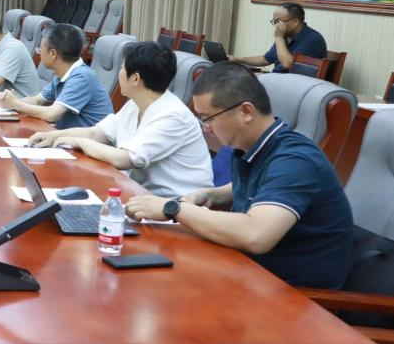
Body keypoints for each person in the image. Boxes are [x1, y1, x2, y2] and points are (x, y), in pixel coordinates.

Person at [126, 63, 352, 289]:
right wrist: (210, 194)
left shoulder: (295, 160)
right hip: (250, 272)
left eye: (208, 118)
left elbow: (256, 235)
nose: (206, 128)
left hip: (294, 294)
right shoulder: (250, 146)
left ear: (246, 112)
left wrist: (174, 209)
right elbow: (253, 186)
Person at [29, 41, 212, 197]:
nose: (119, 73)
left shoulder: (172, 115)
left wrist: (77, 141)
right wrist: (56, 135)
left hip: (175, 208)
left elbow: (124, 158)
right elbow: (96, 133)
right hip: (140, 195)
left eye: (122, 68)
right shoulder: (135, 104)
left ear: (135, 79)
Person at [0, 23, 112, 128]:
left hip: (87, 144)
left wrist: (16, 104)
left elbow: (52, 114)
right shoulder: (62, 75)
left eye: (40, 48)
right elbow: (38, 100)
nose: (38, 52)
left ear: (52, 53)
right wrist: (9, 101)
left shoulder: (82, 77)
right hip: (69, 138)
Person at [229, 2, 326, 73]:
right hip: (278, 80)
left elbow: (288, 64)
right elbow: (266, 59)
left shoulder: (312, 39)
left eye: (278, 22)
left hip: (295, 86)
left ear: (295, 22)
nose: (276, 26)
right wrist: (237, 59)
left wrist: (279, 38)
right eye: (274, 22)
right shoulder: (286, 35)